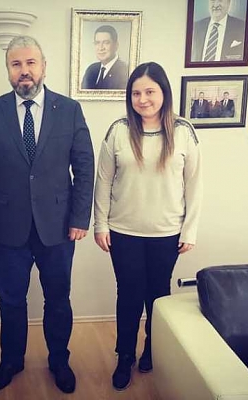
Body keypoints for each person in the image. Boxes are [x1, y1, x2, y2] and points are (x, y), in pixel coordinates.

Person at [0, 35, 94, 394]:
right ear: (8, 69)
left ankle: (59, 360)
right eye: (16, 64)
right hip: (9, 226)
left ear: (43, 67)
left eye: (30, 63)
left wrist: (80, 218)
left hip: (59, 226)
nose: (24, 71)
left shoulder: (69, 110)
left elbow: (84, 167)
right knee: (10, 300)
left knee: (58, 299)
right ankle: (11, 360)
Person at [93, 62, 202, 391]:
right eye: (136, 93)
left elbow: (194, 184)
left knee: (158, 295)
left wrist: (190, 230)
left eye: (150, 92)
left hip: (166, 233)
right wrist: (100, 224)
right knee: (128, 294)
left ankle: (154, 350)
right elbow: (103, 181)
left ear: (164, 93)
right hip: (123, 231)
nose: (143, 99)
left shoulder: (183, 131)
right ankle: (124, 355)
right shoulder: (118, 130)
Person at [81, 25, 129, 90]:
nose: (101, 48)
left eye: (106, 43)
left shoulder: (124, 71)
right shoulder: (91, 70)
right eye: (97, 43)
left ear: (116, 45)